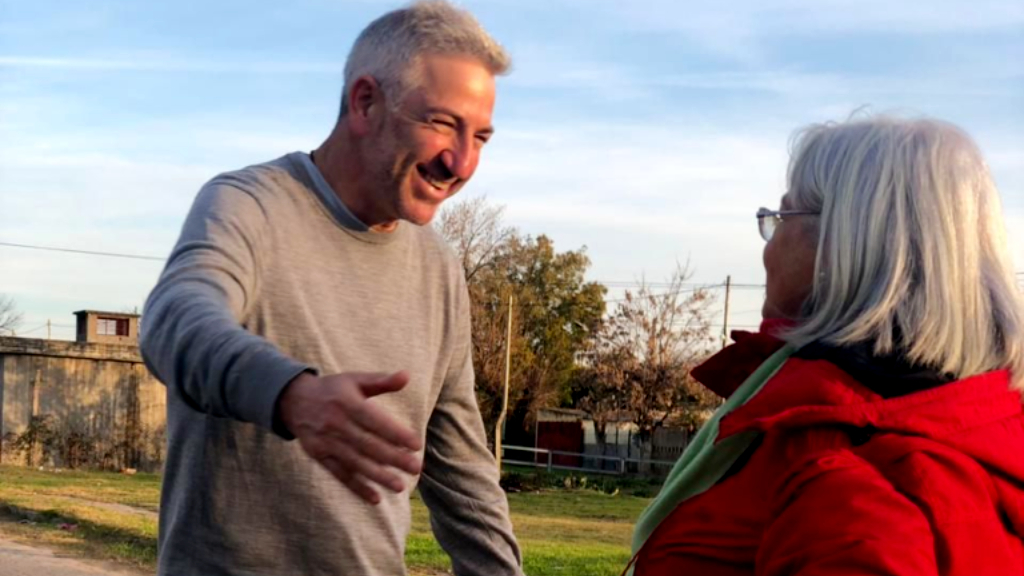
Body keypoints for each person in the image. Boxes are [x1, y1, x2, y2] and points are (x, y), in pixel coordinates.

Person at [139, 2, 523, 575]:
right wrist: (290, 395)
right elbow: (175, 319)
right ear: (365, 102)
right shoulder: (250, 205)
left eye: (481, 138)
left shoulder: (440, 270)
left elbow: (464, 479)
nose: (461, 162)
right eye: (442, 123)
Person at [626, 116, 1024, 576]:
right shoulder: (982, 428)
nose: (766, 249)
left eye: (781, 218)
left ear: (843, 244)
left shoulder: (849, 485)